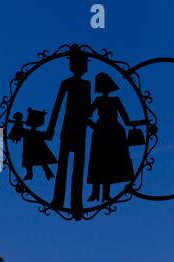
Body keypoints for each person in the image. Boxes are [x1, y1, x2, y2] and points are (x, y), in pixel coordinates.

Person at [86, 73, 146, 202]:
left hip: (114, 132)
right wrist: (95, 127)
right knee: (99, 161)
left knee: (109, 162)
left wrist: (142, 122)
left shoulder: (115, 100)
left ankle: (105, 194)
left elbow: (127, 121)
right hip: (101, 131)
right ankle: (95, 193)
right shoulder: (98, 101)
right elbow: (85, 117)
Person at [46, 49, 91, 213]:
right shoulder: (67, 83)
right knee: (63, 165)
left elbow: (88, 110)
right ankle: (58, 199)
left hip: (81, 130)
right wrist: (50, 130)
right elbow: (57, 107)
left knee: (78, 166)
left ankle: (76, 202)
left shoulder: (87, 85)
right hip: (68, 128)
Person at [8, 108, 57, 180]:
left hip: (38, 149)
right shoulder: (28, 132)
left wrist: (17, 122)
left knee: (40, 160)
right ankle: (31, 174)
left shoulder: (31, 133)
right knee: (31, 161)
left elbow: (48, 135)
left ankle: (46, 173)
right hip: (30, 149)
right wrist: (17, 122)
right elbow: (18, 132)